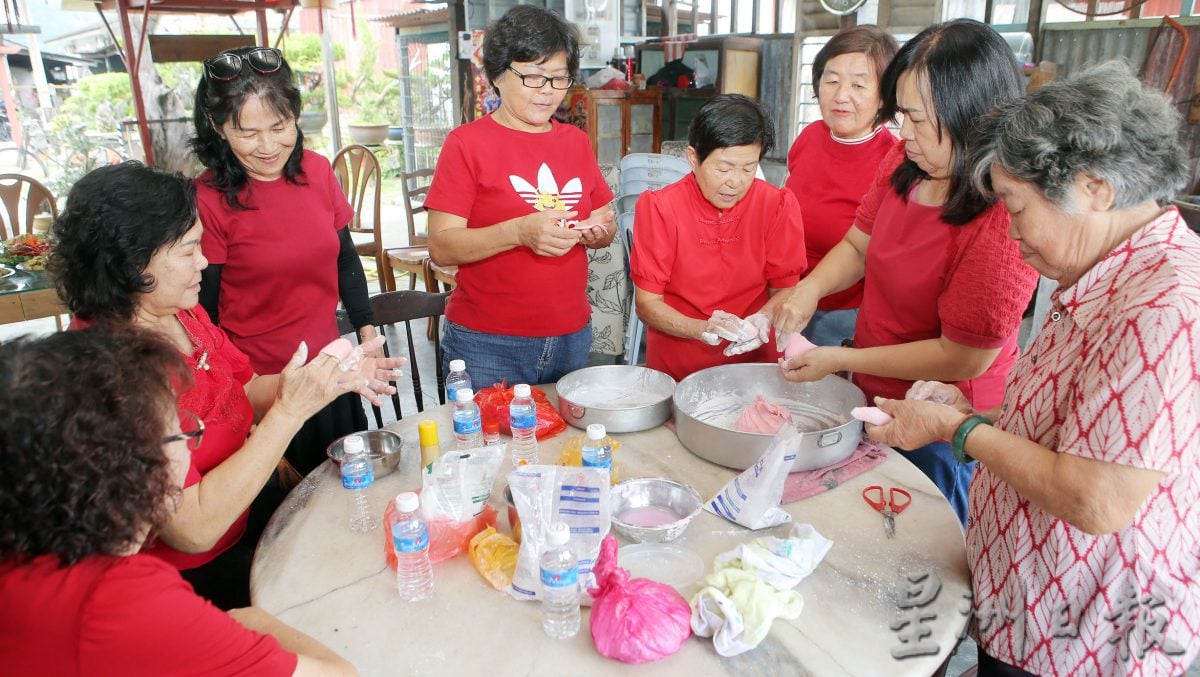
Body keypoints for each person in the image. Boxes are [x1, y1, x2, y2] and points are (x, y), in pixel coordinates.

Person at [867, 62, 1199, 675]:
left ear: (1095, 188)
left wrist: (956, 431)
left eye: (1018, 208)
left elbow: (1098, 500)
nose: (1013, 232)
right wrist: (974, 416)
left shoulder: (1164, 307)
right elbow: (1076, 428)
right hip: (1032, 605)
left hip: (1084, 635)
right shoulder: (1106, 274)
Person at [50, 162, 401, 610]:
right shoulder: (108, 372)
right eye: (188, 250)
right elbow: (193, 530)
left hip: (248, 519)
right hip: (183, 578)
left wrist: (325, 380)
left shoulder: (182, 313)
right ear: (132, 263)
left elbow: (248, 388)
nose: (204, 262)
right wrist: (291, 412)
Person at [776, 19, 1039, 524]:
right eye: (902, 116)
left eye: (917, 119)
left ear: (970, 116)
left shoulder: (1001, 213)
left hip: (946, 412)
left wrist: (833, 357)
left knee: (925, 531)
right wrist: (809, 289)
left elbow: (962, 357)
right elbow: (857, 243)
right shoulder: (905, 159)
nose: (904, 133)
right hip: (878, 382)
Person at [0, 326, 357, 676]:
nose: (192, 447)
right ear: (127, 465)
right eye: (182, 432)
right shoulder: (122, 601)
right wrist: (251, 619)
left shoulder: (25, 565)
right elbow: (341, 674)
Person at [192, 46, 378, 475]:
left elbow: (345, 260)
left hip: (333, 370)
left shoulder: (316, 171)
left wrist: (367, 336)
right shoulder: (208, 199)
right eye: (248, 132)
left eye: (280, 127)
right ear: (218, 128)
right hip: (265, 388)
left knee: (348, 493)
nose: (267, 146)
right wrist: (239, 398)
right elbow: (205, 312)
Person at [426, 6, 615, 390]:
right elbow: (442, 247)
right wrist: (519, 232)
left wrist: (599, 232)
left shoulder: (575, 142)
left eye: (559, 79)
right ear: (498, 74)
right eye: (533, 77)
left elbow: (603, 219)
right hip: (488, 342)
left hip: (571, 336)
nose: (548, 92)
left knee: (563, 446)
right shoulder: (466, 144)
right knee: (487, 447)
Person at [630, 94, 806, 381]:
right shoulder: (660, 208)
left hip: (753, 362)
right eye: (723, 168)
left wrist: (763, 318)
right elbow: (648, 304)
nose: (735, 182)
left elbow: (785, 290)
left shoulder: (776, 205)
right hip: (679, 363)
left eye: (748, 169)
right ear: (693, 158)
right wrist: (701, 329)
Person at [784, 25, 898, 347]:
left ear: (884, 97)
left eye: (859, 85)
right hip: (786, 295)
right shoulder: (810, 137)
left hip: (843, 314)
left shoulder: (893, 161)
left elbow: (866, 253)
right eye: (831, 80)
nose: (840, 95)